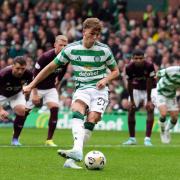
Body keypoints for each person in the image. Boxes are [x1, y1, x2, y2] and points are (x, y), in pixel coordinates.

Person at [23, 17, 119, 169]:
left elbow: (116, 71)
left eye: (97, 34)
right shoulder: (71, 49)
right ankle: (77, 151)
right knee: (77, 109)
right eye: (92, 33)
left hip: (100, 90)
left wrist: (106, 79)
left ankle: (72, 159)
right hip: (82, 88)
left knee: (92, 118)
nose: (94, 37)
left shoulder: (104, 50)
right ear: (84, 31)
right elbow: (49, 68)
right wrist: (32, 85)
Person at [26, 35, 68, 147]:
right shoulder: (45, 57)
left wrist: (57, 83)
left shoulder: (66, 58)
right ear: (55, 45)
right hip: (37, 87)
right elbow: (33, 75)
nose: (63, 47)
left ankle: (49, 140)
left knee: (55, 109)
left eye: (65, 45)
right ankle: (15, 136)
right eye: (61, 45)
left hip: (50, 88)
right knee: (24, 112)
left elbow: (62, 72)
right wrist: (34, 93)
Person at [123, 49, 156, 146]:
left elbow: (149, 82)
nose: (138, 60)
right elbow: (129, 84)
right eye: (136, 58)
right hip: (136, 89)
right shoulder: (129, 67)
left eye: (140, 58)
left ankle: (147, 139)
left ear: (144, 58)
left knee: (150, 109)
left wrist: (149, 100)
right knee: (131, 109)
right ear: (132, 58)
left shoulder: (149, 66)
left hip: (150, 88)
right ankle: (132, 138)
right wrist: (132, 100)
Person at [0, 56, 33, 146]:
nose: (20, 71)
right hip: (1, 95)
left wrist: (31, 95)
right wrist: (1, 110)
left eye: (22, 69)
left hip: (16, 94)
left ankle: (15, 139)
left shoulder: (28, 74)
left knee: (22, 111)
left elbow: (32, 84)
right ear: (12, 66)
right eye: (17, 68)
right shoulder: (3, 74)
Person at [157, 66, 180, 144]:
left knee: (174, 118)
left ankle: (166, 130)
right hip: (160, 91)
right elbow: (158, 74)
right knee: (163, 113)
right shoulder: (172, 70)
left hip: (171, 95)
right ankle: (162, 131)